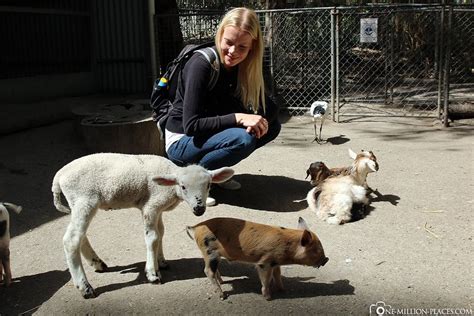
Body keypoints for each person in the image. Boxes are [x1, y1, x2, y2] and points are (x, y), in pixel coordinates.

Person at [164, 7, 281, 206]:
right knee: (242, 139)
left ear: (252, 47)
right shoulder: (200, 64)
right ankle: (193, 181)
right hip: (181, 139)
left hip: (206, 134)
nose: (233, 52)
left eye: (242, 47)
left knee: (270, 126)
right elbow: (191, 125)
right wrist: (239, 118)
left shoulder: (245, 66)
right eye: (228, 42)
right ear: (220, 35)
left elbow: (270, 108)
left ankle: (212, 175)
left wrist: (255, 122)